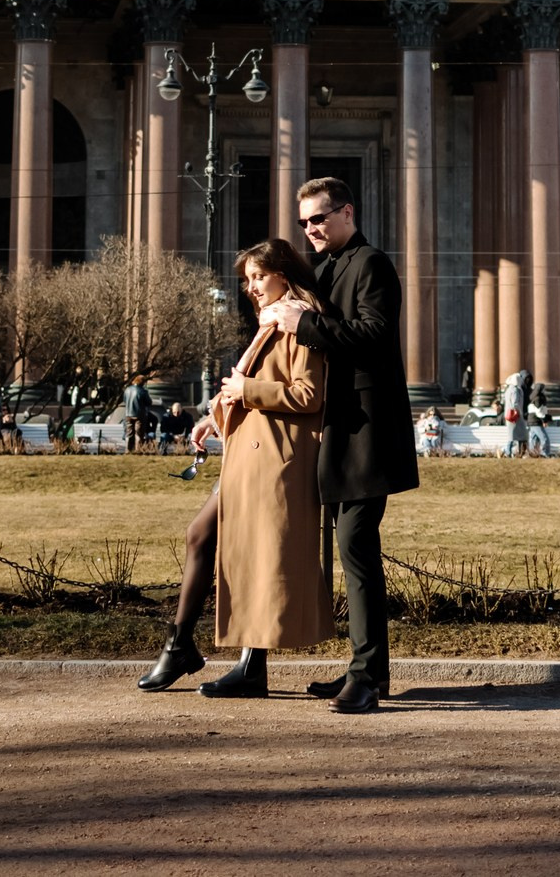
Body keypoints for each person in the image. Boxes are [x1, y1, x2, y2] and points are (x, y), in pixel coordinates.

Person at [138, 238, 332, 700]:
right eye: (246, 280)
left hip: (275, 461)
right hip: (251, 457)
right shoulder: (271, 323)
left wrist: (246, 391)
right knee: (204, 536)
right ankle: (183, 644)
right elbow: (255, 388)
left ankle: (243, 664)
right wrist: (216, 415)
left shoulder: (299, 321)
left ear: (284, 273)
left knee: (253, 555)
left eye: (259, 276)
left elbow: (308, 395)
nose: (251, 287)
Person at [265, 176, 418, 713]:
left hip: (368, 429)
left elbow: (374, 336)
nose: (310, 229)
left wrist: (305, 322)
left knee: (355, 546)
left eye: (319, 218)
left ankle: (367, 678)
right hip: (338, 429)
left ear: (347, 212)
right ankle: (365, 669)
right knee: (351, 550)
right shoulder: (325, 269)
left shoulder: (371, 263)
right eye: (304, 221)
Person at [123, 374, 153, 452]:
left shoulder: (127, 390)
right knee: (138, 433)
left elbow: (125, 400)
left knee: (129, 433)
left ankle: (128, 450)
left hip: (128, 414)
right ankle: (138, 450)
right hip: (139, 415)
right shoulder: (143, 391)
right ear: (142, 382)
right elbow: (149, 402)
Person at [502, 369, 528, 458]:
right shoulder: (515, 390)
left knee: (513, 435)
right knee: (516, 435)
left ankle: (512, 452)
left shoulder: (509, 389)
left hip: (510, 416)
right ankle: (509, 452)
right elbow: (515, 403)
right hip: (515, 416)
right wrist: (518, 411)